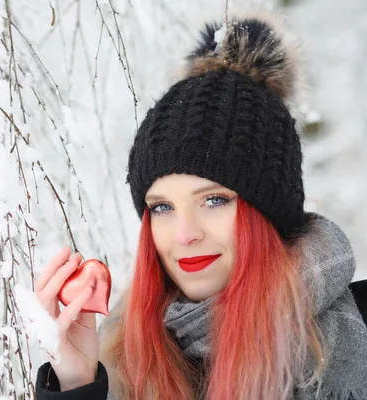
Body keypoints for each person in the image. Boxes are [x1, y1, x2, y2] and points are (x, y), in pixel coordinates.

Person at [33, 14, 367, 400]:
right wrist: (77, 383)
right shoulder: (126, 359)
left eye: (213, 200)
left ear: (270, 212)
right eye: (161, 208)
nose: (185, 234)